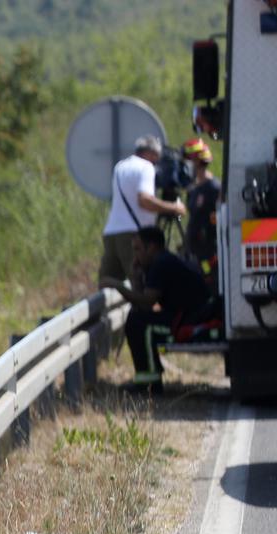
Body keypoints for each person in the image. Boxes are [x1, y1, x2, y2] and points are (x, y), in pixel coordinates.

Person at [102, 225, 217, 388]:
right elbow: (144, 306)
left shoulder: (161, 263)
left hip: (191, 320)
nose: (135, 255)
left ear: (152, 248)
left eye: (138, 249)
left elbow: (146, 302)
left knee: (138, 323)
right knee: (138, 319)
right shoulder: (160, 261)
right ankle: (150, 375)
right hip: (186, 316)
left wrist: (118, 286)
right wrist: (136, 278)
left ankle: (149, 382)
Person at [100, 135, 186, 288]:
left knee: (107, 286)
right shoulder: (146, 167)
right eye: (157, 158)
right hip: (132, 235)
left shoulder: (120, 166)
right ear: (152, 153)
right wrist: (174, 207)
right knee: (140, 284)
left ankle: (102, 313)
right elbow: (144, 200)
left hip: (111, 232)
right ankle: (144, 312)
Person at [182, 137, 220, 279]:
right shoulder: (192, 189)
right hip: (194, 250)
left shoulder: (214, 188)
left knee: (208, 276)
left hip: (209, 251)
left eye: (188, 160)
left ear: (197, 161)